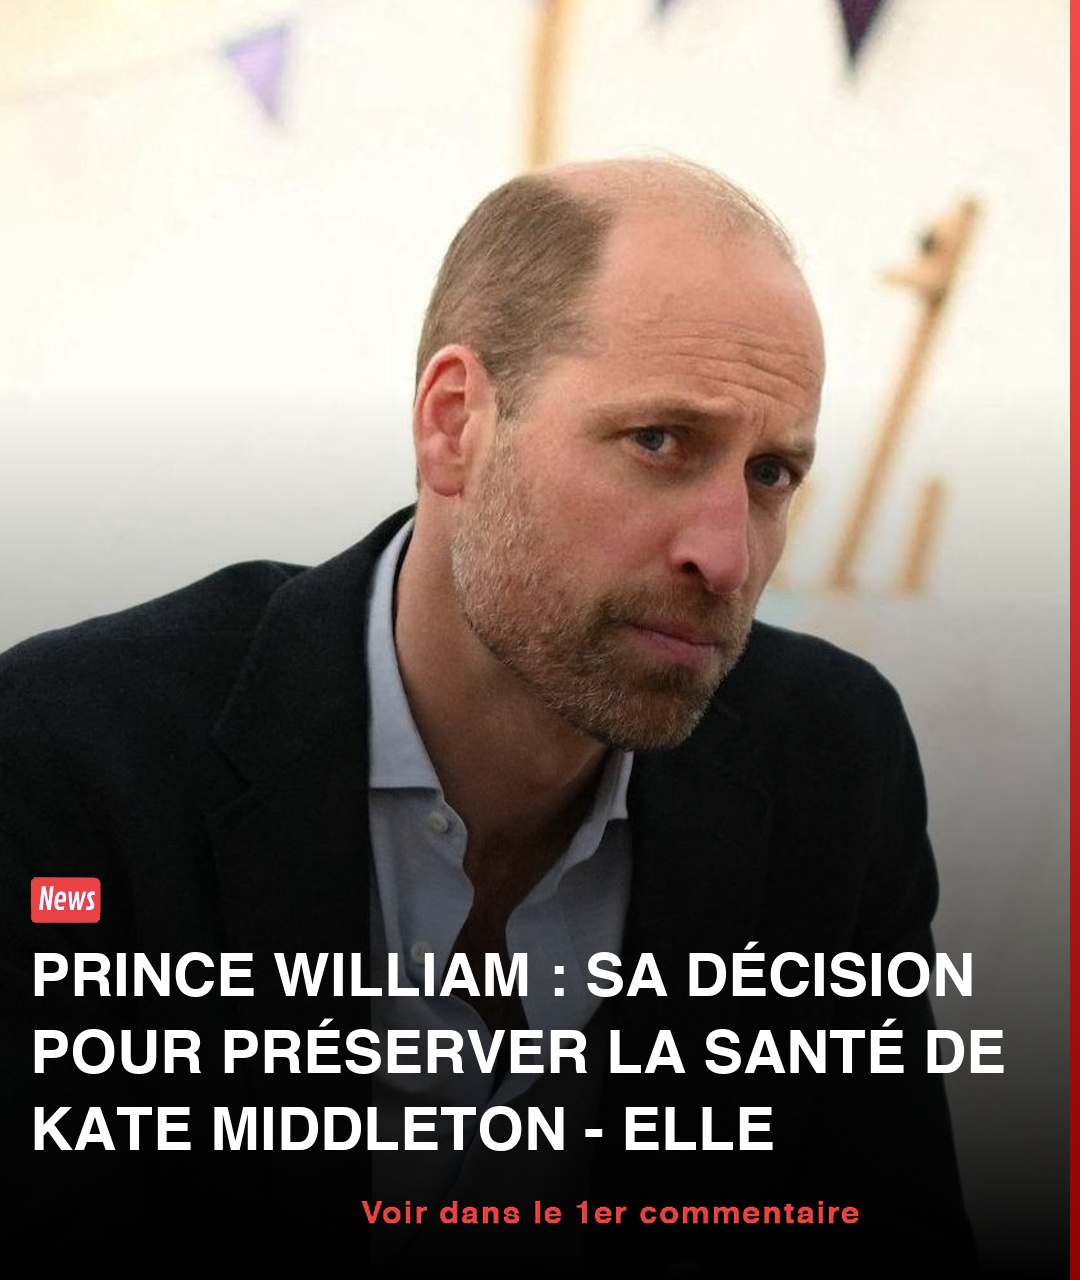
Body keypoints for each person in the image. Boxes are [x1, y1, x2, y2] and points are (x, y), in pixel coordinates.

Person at [1, 158, 975, 1275]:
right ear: (454, 423)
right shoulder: (76, 758)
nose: (726, 554)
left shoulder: (832, 765)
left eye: (771, 474)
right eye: (659, 441)